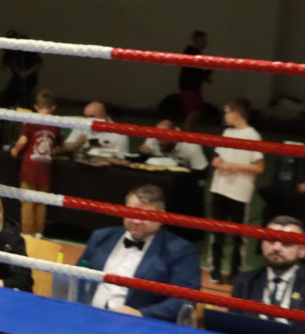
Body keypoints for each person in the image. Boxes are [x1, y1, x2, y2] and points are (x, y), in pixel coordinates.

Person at [78, 184, 201, 322]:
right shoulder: (101, 237)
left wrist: (141, 314)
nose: (136, 221)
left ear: (161, 217)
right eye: (131, 213)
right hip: (88, 317)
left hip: (139, 327)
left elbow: (185, 299)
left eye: (143, 216)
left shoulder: (180, 250)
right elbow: (78, 277)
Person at [208, 97, 265, 283]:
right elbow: (218, 156)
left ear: (236, 114)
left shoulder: (253, 135)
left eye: (226, 112)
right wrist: (217, 162)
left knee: (238, 236)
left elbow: (259, 167)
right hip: (220, 188)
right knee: (217, 233)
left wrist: (232, 166)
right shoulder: (227, 132)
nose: (224, 116)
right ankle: (215, 269)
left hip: (240, 192)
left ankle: (235, 273)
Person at [231, 215, 305, 323]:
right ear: (262, 244)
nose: (276, 247)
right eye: (271, 240)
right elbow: (232, 328)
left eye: (286, 243)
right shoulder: (243, 282)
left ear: (302, 251)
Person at [10, 89, 63, 236]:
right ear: (53, 107)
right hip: (45, 166)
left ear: (36, 106)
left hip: (30, 166)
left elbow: (23, 140)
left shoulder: (30, 121)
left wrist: (15, 150)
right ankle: (39, 231)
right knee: (41, 200)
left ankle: (27, 231)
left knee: (27, 200)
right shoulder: (56, 123)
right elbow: (60, 145)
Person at [61, 100, 130, 158]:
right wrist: (76, 144)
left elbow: (121, 160)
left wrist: (100, 154)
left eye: (91, 116)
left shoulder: (119, 134)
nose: (88, 119)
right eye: (86, 116)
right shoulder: (81, 125)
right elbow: (65, 147)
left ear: (104, 116)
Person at [138, 118, 209, 171]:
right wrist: (143, 153)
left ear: (174, 137)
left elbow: (201, 172)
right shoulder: (153, 138)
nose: (159, 142)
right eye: (157, 138)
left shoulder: (191, 145)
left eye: (162, 138)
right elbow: (143, 160)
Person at [0, 30, 43, 109]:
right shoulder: (9, 51)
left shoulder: (26, 50)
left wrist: (27, 72)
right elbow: (3, 64)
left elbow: (39, 63)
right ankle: (2, 118)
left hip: (29, 79)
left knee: (25, 101)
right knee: (5, 99)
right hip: (17, 79)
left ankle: (27, 118)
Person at [178, 30, 212, 131]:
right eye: (204, 40)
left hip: (192, 86)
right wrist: (208, 72)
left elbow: (194, 72)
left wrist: (206, 77)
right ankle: (185, 137)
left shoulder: (194, 53)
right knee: (193, 113)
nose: (206, 42)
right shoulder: (192, 53)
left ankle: (189, 136)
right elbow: (193, 72)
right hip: (190, 86)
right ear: (198, 40)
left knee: (196, 113)